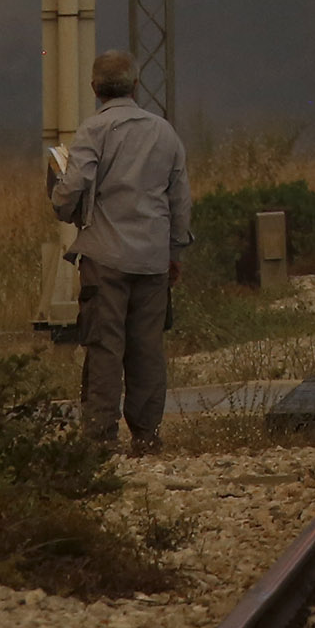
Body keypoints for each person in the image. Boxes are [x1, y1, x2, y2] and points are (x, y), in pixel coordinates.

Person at [49, 49, 193, 454]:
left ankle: (101, 437)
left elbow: (73, 188)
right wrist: (175, 252)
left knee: (105, 346)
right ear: (135, 85)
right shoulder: (165, 133)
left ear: (94, 89)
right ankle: (146, 437)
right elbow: (180, 201)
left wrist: (59, 198)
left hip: (104, 259)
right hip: (152, 261)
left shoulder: (92, 132)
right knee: (147, 348)